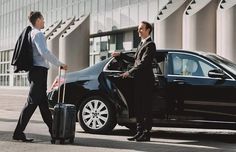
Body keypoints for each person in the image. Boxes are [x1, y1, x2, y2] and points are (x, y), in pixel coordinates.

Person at [12, 11, 67, 142]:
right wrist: (60, 64)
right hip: (38, 72)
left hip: (37, 72)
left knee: (43, 104)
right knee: (31, 103)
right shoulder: (37, 34)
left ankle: (54, 133)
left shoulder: (32, 33)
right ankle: (18, 132)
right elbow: (44, 52)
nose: (44, 21)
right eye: (42, 19)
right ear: (37, 20)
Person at [112, 21, 156, 142]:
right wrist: (121, 55)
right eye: (138, 29)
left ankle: (146, 134)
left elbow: (144, 62)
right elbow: (135, 59)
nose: (138, 31)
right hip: (138, 81)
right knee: (138, 108)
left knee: (145, 108)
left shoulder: (150, 45)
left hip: (146, 81)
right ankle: (139, 131)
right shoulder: (141, 44)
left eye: (141, 29)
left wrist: (129, 72)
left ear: (148, 30)